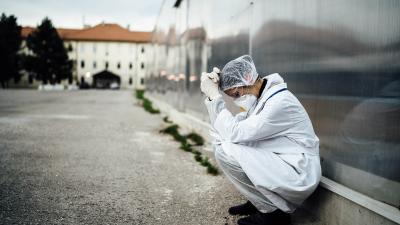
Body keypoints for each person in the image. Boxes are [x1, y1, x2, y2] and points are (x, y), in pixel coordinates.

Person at [200, 55, 321, 225]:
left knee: (225, 150)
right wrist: (220, 86)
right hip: (284, 159)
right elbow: (227, 129)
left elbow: (234, 132)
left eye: (236, 93)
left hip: (298, 169)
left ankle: (273, 215)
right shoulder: (263, 98)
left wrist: (214, 96)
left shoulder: (279, 102)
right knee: (223, 142)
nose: (237, 99)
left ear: (248, 78)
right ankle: (258, 201)